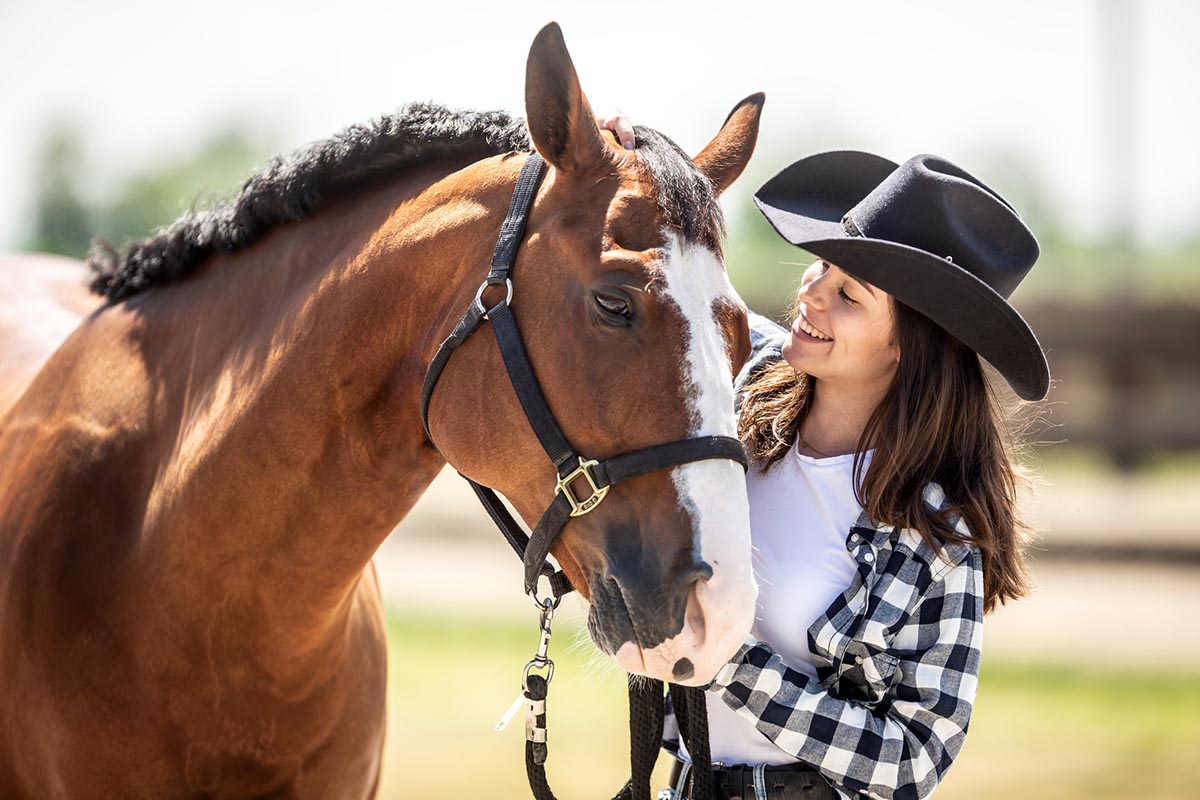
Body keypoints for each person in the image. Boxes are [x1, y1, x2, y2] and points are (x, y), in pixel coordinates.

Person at [601, 117, 1048, 800]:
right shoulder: (739, 387)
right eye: (822, 268)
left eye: (848, 296)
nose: (810, 294)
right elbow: (669, 294)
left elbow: (913, 758)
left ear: (906, 346)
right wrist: (622, 173)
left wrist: (728, 662)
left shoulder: (936, 531)